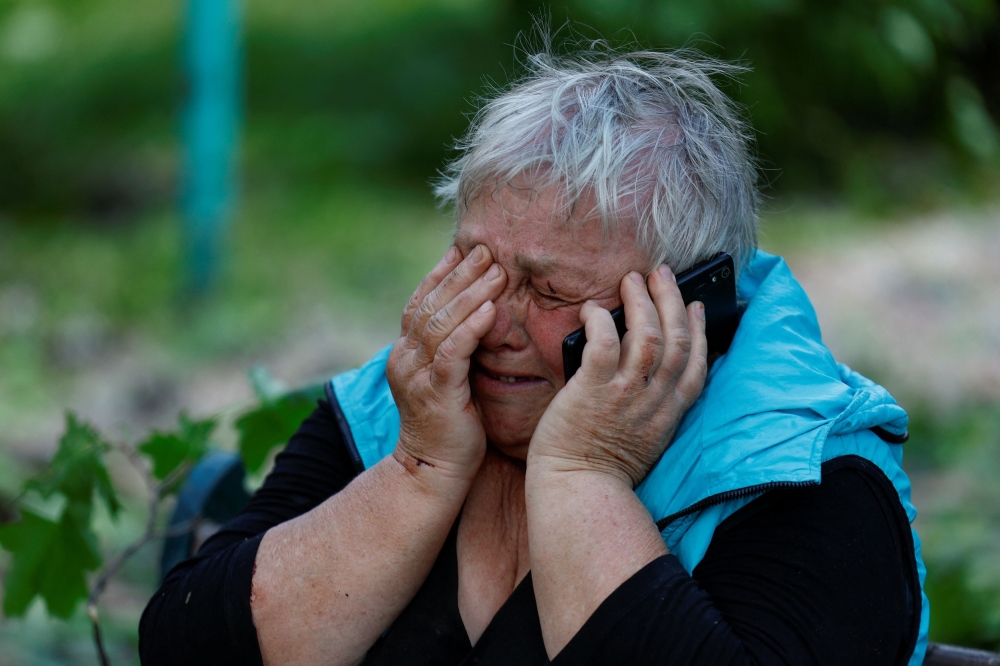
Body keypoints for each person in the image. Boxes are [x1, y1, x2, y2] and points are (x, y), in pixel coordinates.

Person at [139, 42, 929, 666]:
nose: (491, 325)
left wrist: (583, 477)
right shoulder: (401, 408)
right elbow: (187, 647)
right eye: (476, 268)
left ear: (688, 306)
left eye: (550, 294)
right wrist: (418, 473)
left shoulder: (805, 470)